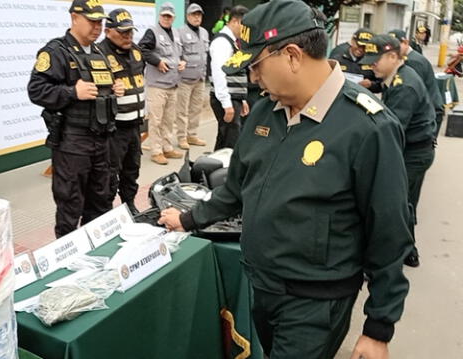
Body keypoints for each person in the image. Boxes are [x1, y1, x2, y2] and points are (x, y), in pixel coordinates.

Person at [159, 1, 413, 357]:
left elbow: (389, 230)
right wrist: (187, 219)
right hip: (262, 287)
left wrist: (378, 327)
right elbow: (236, 188)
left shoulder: (368, 127)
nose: (253, 77)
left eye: (257, 66)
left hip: (315, 302)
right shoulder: (266, 110)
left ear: (292, 55)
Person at [28, 0, 124, 238]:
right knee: (70, 206)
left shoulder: (101, 52)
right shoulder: (56, 51)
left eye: (100, 22)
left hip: (103, 140)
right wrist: (72, 92)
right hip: (73, 143)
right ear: (74, 18)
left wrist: (114, 87)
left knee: (101, 202)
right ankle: (67, 259)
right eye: (91, 21)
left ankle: (99, 251)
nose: (97, 27)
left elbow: (101, 89)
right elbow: (36, 90)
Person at [361, 34, 437, 268]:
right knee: (403, 203)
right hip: (412, 148)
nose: (372, 64)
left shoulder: (405, 85)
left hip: (414, 153)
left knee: (397, 204)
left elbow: (393, 129)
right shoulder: (396, 77)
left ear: (393, 56)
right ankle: (408, 251)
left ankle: (392, 258)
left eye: (376, 59)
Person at [98, 8, 145, 215]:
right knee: (109, 174)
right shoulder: (98, 54)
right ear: (108, 31)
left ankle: (129, 205)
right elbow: (91, 89)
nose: (128, 36)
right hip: (114, 129)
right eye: (123, 32)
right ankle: (107, 213)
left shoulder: (136, 51)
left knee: (132, 170)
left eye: (130, 32)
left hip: (134, 125)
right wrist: (109, 90)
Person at [138, 2, 186, 165]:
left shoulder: (176, 33)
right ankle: (156, 151)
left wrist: (182, 62)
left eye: (169, 16)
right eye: (164, 15)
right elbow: (142, 50)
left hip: (172, 84)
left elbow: (179, 54)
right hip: (157, 85)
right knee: (156, 120)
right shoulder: (152, 32)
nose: (166, 18)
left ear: (173, 18)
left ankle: (167, 147)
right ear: (160, 16)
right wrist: (157, 61)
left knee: (168, 119)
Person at [209, 5, 249, 150]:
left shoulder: (232, 41)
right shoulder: (222, 42)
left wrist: (241, 99)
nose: (244, 31)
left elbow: (235, 71)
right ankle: (225, 171)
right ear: (235, 21)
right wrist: (227, 103)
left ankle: (212, 169)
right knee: (230, 143)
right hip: (225, 98)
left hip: (233, 98)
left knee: (224, 138)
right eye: (243, 26)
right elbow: (219, 74)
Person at [389, 29, 445, 135]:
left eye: (396, 46)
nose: (393, 50)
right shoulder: (411, 57)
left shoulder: (412, 62)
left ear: (405, 43)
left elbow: (410, 96)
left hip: (427, 119)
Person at [176, 3, 208, 150]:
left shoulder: (204, 33)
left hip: (200, 78)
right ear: (188, 16)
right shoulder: (179, 32)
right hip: (185, 78)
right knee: (182, 110)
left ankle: (192, 134)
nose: (197, 17)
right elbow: (176, 54)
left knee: (196, 108)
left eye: (199, 15)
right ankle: (182, 137)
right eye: (194, 14)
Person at [329, 28, 382, 92]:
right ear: (352, 41)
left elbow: (381, 85)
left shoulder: (372, 61)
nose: (361, 49)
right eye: (359, 45)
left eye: (365, 47)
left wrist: (371, 84)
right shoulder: (337, 58)